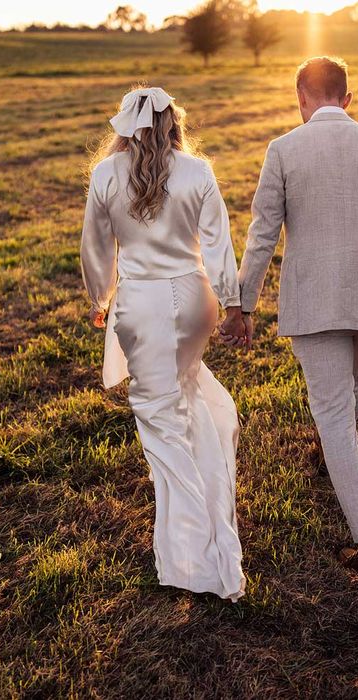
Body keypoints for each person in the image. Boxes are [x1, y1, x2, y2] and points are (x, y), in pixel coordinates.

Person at [223, 57, 358, 577]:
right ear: (347, 99)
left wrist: (242, 304)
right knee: (352, 384)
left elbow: (261, 236)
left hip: (316, 302)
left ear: (301, 97)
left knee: (335, 417)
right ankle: (331, 455)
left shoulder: (282, 149)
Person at [80, 86, 248, 602]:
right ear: (174, 122)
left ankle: (201, 555)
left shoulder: (106, 174)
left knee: (160, 423)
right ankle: (207, 502)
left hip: (142, 306)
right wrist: (233, 303)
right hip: (197, 301)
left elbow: (95, 248)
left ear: (125, 127)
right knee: (185, 397)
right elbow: (219, 246)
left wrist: (99, 297)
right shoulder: (198, 172)